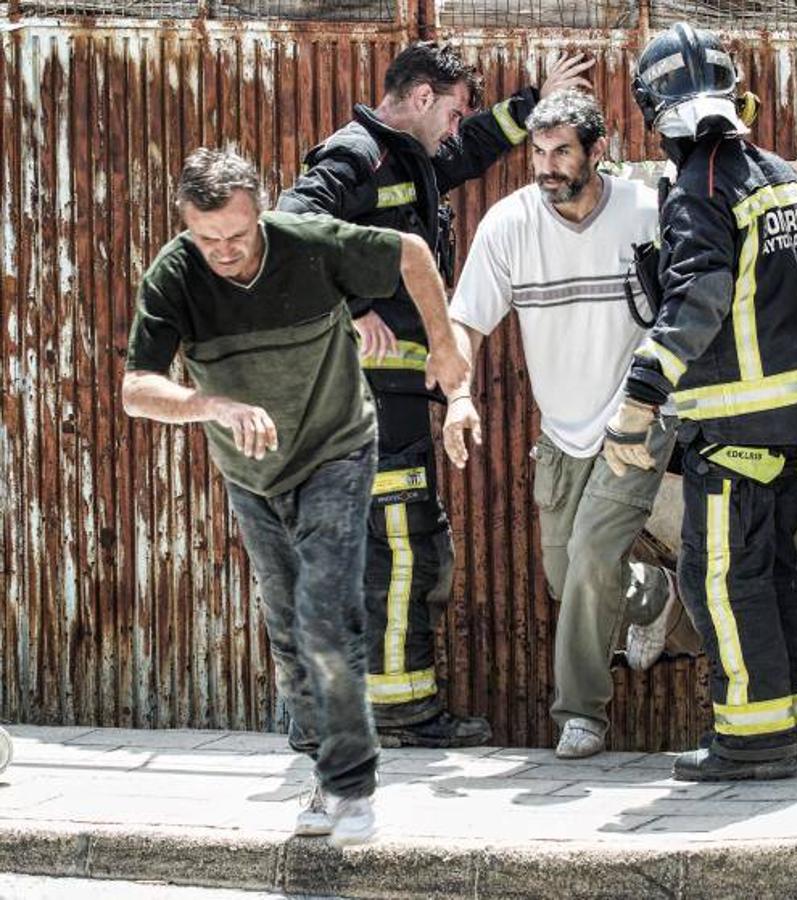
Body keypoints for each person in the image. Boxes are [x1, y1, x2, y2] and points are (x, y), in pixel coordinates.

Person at [121, 146, 467, 846]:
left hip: (337, 446)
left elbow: (408, 252)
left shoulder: (308, 243)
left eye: (238, 236)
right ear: (187, 226)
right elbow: (136, 391)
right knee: (287, 627)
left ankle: (352, 783)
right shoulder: (175, 275)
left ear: (261, 213)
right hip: (252, 472)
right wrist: (211, 406)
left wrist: (445, 345)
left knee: (322, 606)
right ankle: (320, 764)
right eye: (206, 237)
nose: (224, 252)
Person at [277, 43, 592, 749]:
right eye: (450, 110)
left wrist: (534, 101)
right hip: (359, 395)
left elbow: (471, 149)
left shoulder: (407, 159)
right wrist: (347, 310)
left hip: (389, 395)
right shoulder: (355, 156)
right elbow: (285, 229)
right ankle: (397, 711)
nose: (454, 128)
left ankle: (325, 712)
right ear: (421, 97)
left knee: (374, 548)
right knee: (398, 545)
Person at [605, 23, 797, 782]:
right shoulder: (777, 173)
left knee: (721, 576)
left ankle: (751, 738)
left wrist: (639, 400)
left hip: (736, 423)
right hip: (794, 418)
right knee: (771, 572)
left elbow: (700, 295)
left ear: (652, 108)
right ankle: (790, 721)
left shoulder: (700, 186)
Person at [442, 90, 689, 760]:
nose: (546, 167)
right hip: (561, 434)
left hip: (638, 422)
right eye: (538, 152)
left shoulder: (646, 212)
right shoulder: (509, 224)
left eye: (561, 152)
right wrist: (460, 396)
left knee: (588, 560)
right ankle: (653, 595)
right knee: (566, 575)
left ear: (597, 151)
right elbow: (465, 321)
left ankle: (581, 714)